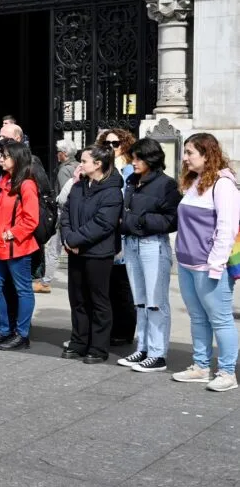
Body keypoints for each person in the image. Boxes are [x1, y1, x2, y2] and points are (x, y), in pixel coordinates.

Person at [172, 133, 240, 392]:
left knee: (220, 319)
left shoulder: (223, 185)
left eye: (190, 152)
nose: (186, 158)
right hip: (188, 263)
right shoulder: (196, 181)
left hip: (209, 265)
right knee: (198, 317)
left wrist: (216, 264)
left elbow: (227, 228)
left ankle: (227, 372)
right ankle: (201, 366)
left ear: (206, 154)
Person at [116, 138, 182, 372]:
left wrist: (138, 221)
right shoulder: (133, 181)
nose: (133, 162)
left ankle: (157, 353)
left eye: (138, 158)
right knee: (140, 301)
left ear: (150, 159)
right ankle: (143, 347)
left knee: (155, 302)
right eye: (133, 157)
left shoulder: (166, 184)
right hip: (133, 244)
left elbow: (171, 219)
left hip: (153, 244)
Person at [60, 144, 124, 363]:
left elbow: (103, 223)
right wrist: (67, 238)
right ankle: (79, 341)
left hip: (98, 253)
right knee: (77, 299)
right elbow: (66, 212)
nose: (81, 164)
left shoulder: (112, 190)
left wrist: (76, 240)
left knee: (98, 301)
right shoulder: (79, 186)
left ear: (98, 164)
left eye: (85, 161)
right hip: (75, 250)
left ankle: (98, 347)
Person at [0, 141, 39, 351]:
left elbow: (31, 219)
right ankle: (3, 329)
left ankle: (21, 334)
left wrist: (12, 233)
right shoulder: (4, 180)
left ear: (17, 157)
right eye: (0, 155)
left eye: (5, 155)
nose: (1, 159)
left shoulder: (26, 184)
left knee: (23, 290)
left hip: (17, 246)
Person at [96, 128, 138, 346]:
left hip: (122, 233)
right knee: (108, 285)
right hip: (105, 232)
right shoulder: (106, 167)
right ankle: (110, 326)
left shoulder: (130, 169)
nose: (111, 148)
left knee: (123, 285)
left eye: (115, 143)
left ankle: (125, 329)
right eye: (107, 144)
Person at [35, 138, 79, 293]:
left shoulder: (64, 170)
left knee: (53, 248)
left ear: (64, 154)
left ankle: (45, 282)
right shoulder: (77, 166)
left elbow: (65, 194)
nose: (57, 155)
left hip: (63, 213)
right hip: (74, 213)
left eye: (59, 152)